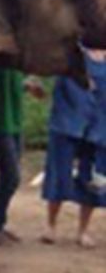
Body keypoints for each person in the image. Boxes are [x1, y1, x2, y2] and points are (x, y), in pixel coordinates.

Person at [42, 49, 106, 247]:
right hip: (67, 121)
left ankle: (83, 230)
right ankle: (50, 226)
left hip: (99, 126)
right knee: (59, 174)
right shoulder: (72, 52)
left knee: (93, 180)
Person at [0, 68, 42, 244]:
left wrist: (26, 86)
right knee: (11, 177)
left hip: (14, 126)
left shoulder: (15, 69)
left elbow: (16, 83)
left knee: (8, 178)